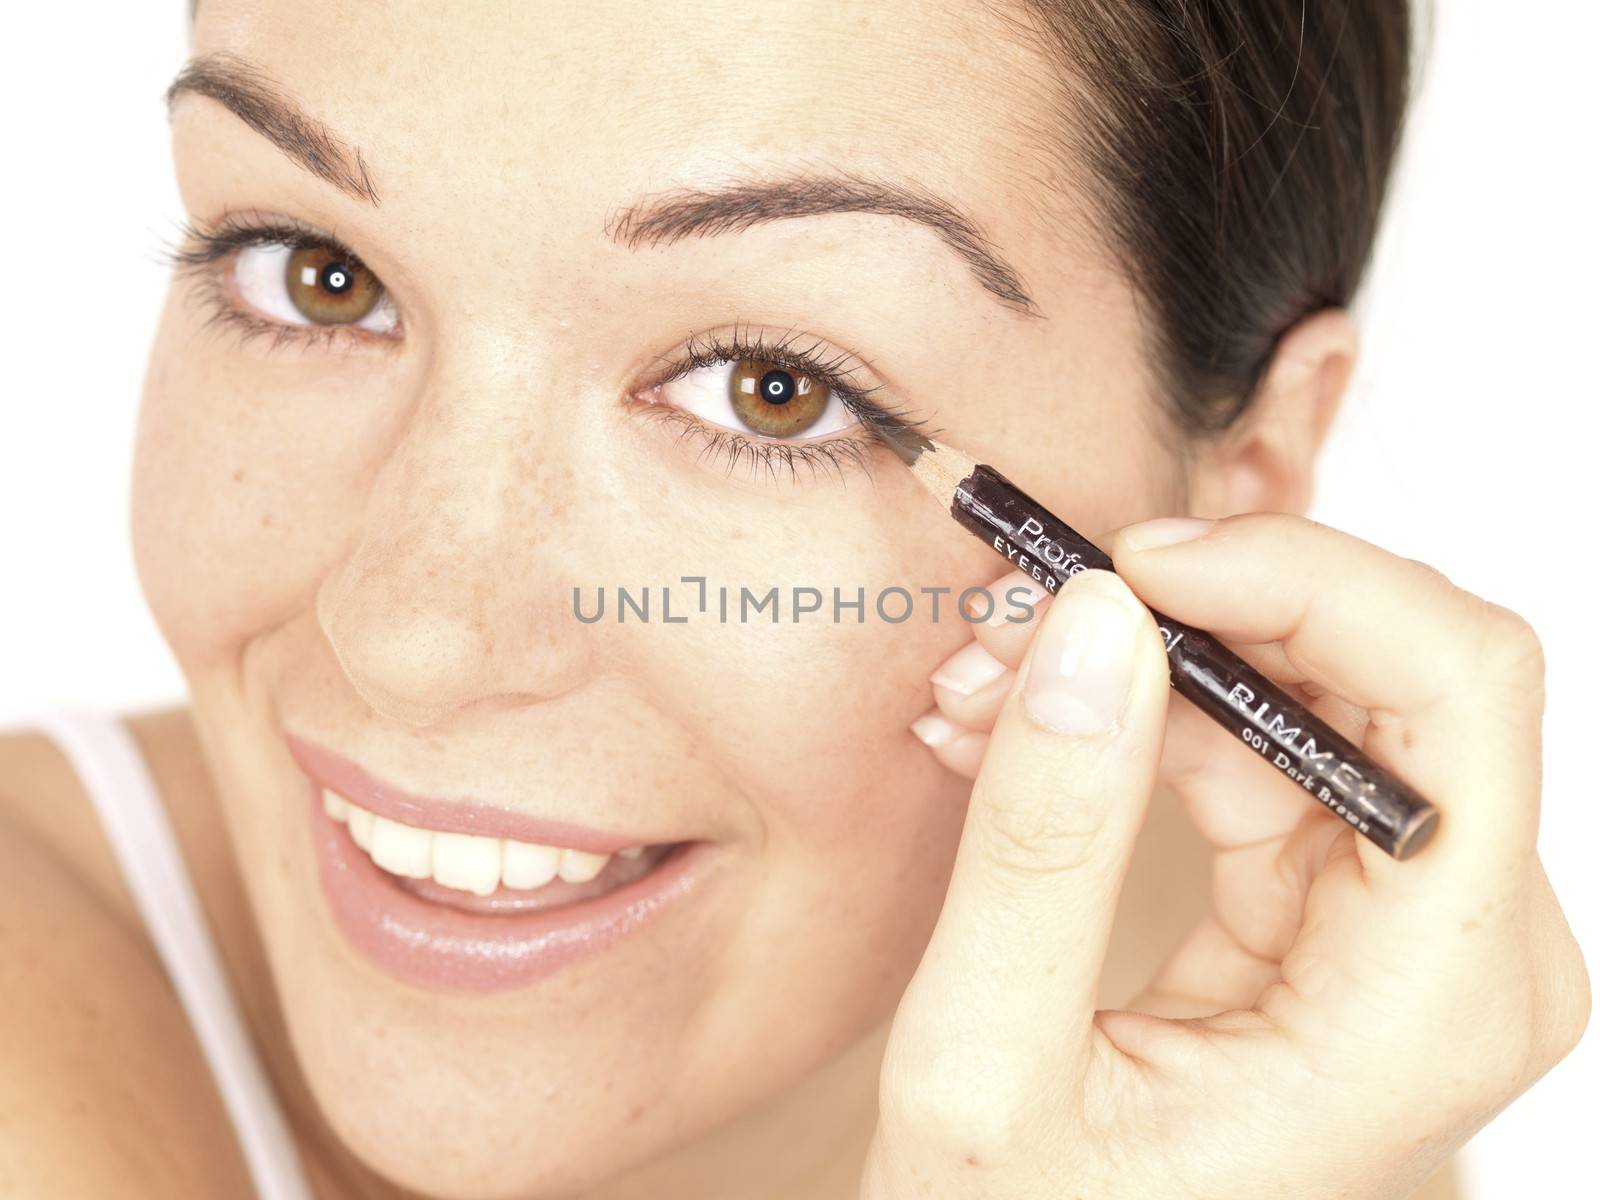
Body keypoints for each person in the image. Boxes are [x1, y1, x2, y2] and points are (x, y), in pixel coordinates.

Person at [2, 1, 1588, 1197]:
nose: (413, 640)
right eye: (311, 272)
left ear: (1249, 462)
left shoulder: (1280, 1051)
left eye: (770, 390)